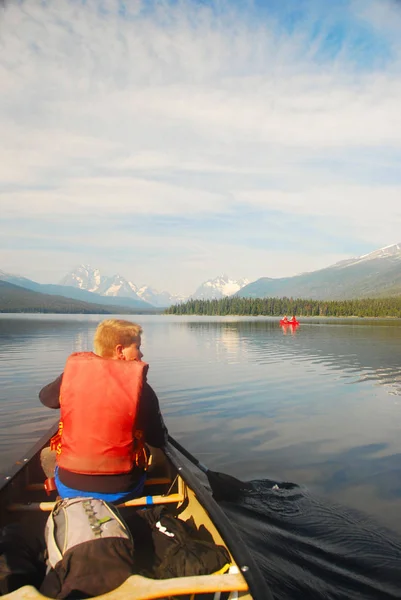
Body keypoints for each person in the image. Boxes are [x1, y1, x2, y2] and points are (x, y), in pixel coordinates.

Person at [39, 319, 168, 503]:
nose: (141, 353)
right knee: (158, 452)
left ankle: (64, 499)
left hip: (69, 487)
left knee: (46, 454)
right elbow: (158, 439)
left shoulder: (73, 375)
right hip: (123, 489)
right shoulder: (142, 389)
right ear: (119, 350)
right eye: (137, 347)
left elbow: (46, 398)